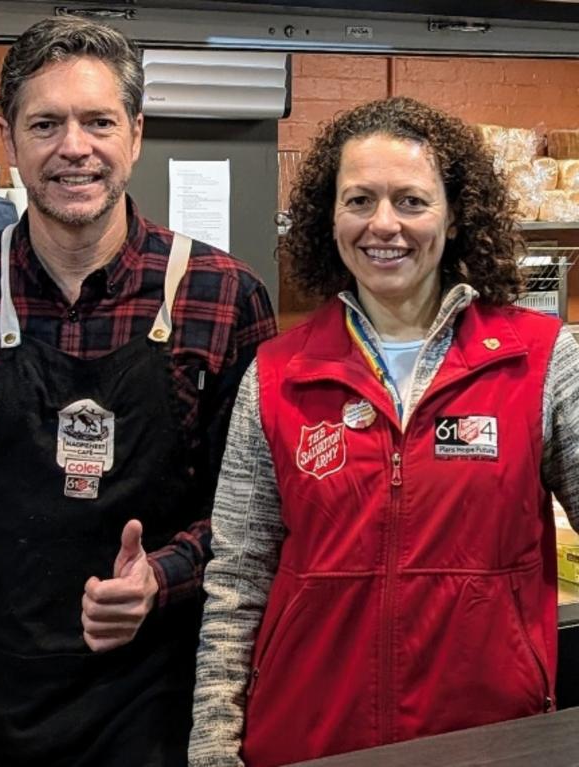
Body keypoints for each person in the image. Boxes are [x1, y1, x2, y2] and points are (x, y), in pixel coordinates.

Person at [0, 16, 276, 766]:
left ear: (136, 134)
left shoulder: (225, 296)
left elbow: (253, 524)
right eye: (45, 123)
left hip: (159, 713)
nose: (73, 146)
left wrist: (162, 573)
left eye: (98, 121)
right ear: (11, 141)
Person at [189, 96, 579, 766]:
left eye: (411, 201)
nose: (384, 225)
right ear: (329, 217)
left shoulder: (544, 358)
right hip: (307, 737)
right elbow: (238, 577)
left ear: (455, 216)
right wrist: (213, 743)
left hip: (487, 739)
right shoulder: (280, 373)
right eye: (360, 200)